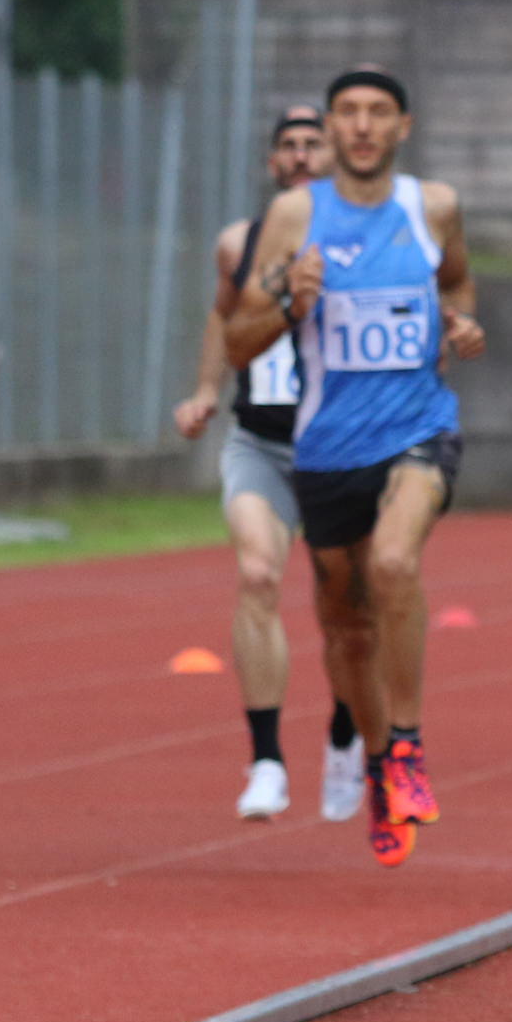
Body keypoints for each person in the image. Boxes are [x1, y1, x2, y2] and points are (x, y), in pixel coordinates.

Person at [226, 66, 484, 867]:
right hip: (327, 448)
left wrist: (462, 325)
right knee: (345, 631)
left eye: (378, 112)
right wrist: (287, 302)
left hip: (419, 430)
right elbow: (238, 340)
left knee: (395, 562)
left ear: (403, 126)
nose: (363, 126)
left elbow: (457, 280)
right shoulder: (294, 216)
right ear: (331, 127)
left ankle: (405, 744)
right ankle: (376, 761)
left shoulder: (432, 206)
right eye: (348, 112)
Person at [174, 104, 362, 822]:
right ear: (272, 162)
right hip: (261, 441)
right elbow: (223, 318)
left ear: (333, 156)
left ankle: (346, 727)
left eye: (314, 143)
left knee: (347, 604)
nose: (302, 154)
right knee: (257, 574)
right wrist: (204, 392)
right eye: (289, 145)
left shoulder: (362, 239)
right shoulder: (239, 243)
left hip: (341, 446)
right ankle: (266, 761)